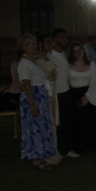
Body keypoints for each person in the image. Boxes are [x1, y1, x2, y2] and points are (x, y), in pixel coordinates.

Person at [16, 34, 57, 170]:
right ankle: (37, 159)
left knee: (42, 127)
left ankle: (42, 155)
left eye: (35, 44)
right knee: (35, 128)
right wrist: (32, 104)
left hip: (40, 97)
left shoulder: (33, 62)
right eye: (32, 45)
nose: (35, 47)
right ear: (25, 47)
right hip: (33, 97)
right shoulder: (24, 63)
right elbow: (27, 84)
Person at [66, 42, 96, 154]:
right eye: (75, 51)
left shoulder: (91, 64)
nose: (78, 52)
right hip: (73, 94)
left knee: (91, 121)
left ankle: (95, 146)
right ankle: (79, 146)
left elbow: (94, 81)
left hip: (89, 92)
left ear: (83, 51)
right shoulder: (68, 65)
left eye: (80, 50)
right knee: (77, 121)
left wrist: (87, 96)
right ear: (72, 53)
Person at [35, 34, 61, 165]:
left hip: (52, 93)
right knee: (46, 124)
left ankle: (53, 151)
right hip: (44, 94)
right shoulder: (37, 61)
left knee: (52, 124)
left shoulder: (50, 58)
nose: (51, 44)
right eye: (48, 42)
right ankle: (46, 154)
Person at [50, 28, 73, 157]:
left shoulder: (63, 54)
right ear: (54, 39)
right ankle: (58, 149)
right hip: (56, 92)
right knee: (58, 122)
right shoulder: (51, 55)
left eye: (65, 37)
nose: (65, 40)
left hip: (66, 90)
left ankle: (67, 149)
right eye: (61, 37)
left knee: (67, 121)